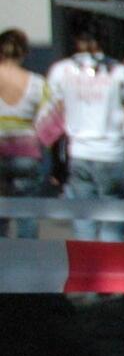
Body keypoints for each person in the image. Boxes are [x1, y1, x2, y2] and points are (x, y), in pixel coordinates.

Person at [47, 26, 124, 241]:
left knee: (83, 218)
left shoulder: (61, 71)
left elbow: (55, 115)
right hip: (111, 153)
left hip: (77, 152)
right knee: (113, 220)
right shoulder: (119, 72)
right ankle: (110, 266)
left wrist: (54, 162)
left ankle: (86, 268)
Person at [0, 28, 59, 237]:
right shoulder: (37, 83)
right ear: (24, 53)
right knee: (27, 215)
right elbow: (53, 121)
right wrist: (43, 147)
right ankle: (29, 264)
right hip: (26, 155)